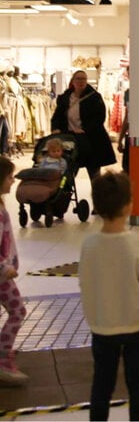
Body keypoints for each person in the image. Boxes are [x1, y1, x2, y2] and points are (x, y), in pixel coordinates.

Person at [79, 172, 139, 421]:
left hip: (102, 325)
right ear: (128, 205)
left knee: (102, 383)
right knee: (138, 381)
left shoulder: (89, 245)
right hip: (136, 322)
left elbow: (85, 282)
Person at [50, 70, 117, 181]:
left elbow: (99, 118)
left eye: (83, 79)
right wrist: (55, 128)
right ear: (73, 81)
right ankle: (65, 196)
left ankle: (97, 196)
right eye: (78, 79)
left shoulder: (94, 97)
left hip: (91, 140)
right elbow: (57, 116)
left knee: (94, 174)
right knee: (68, 174)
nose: (81, 81)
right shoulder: (65, 98)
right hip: (70, 140)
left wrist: (84, 129)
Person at [0, 157, 27, 386]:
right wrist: (4, 267)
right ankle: (3, 360)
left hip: (4, 271)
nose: (12, 180)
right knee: (17, 311)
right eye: (9, 177)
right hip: (1, 275)